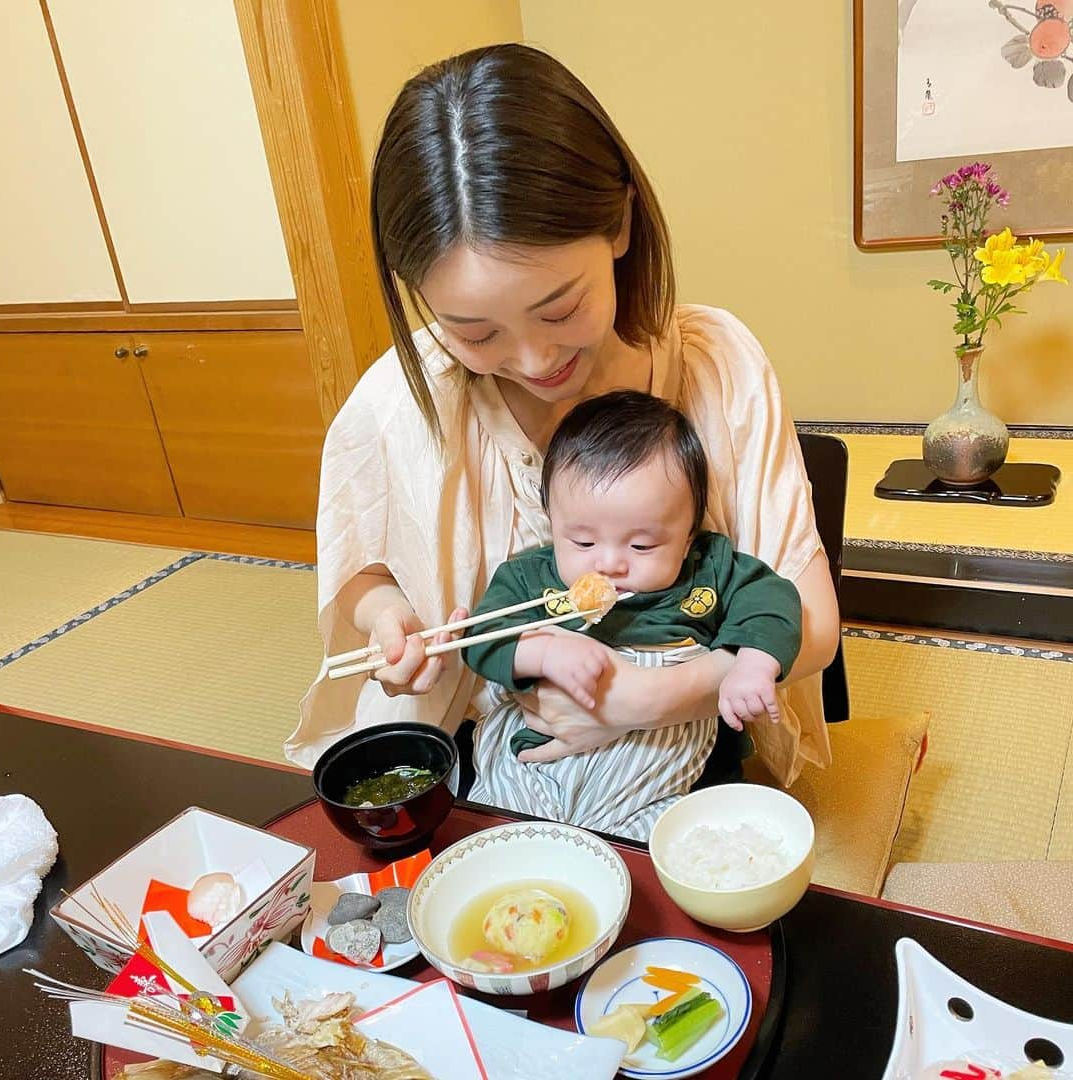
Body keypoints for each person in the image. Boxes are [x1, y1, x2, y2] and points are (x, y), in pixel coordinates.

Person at [285, 43, 838, 790]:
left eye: (561, 307)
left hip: (695, 759)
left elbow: (813, 620)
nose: (537, 358)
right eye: (476, 332)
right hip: (490, 759)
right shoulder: (401, 402)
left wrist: (649, 697)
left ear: (618, 226)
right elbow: (363, 572)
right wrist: (386, 613)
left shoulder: (717, 365)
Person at [462, 390, 802, 840]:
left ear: (687, 536)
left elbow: (773, 599)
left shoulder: (706, 569)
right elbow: (478, 637)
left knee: (672, 858)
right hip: (537, 769)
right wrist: (541, 654)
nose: (609, 564)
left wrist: (753, 664)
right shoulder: (529, 579)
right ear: (552, 521)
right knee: (500, 837)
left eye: (641, 545)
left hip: (656, 787)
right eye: (582, 542)